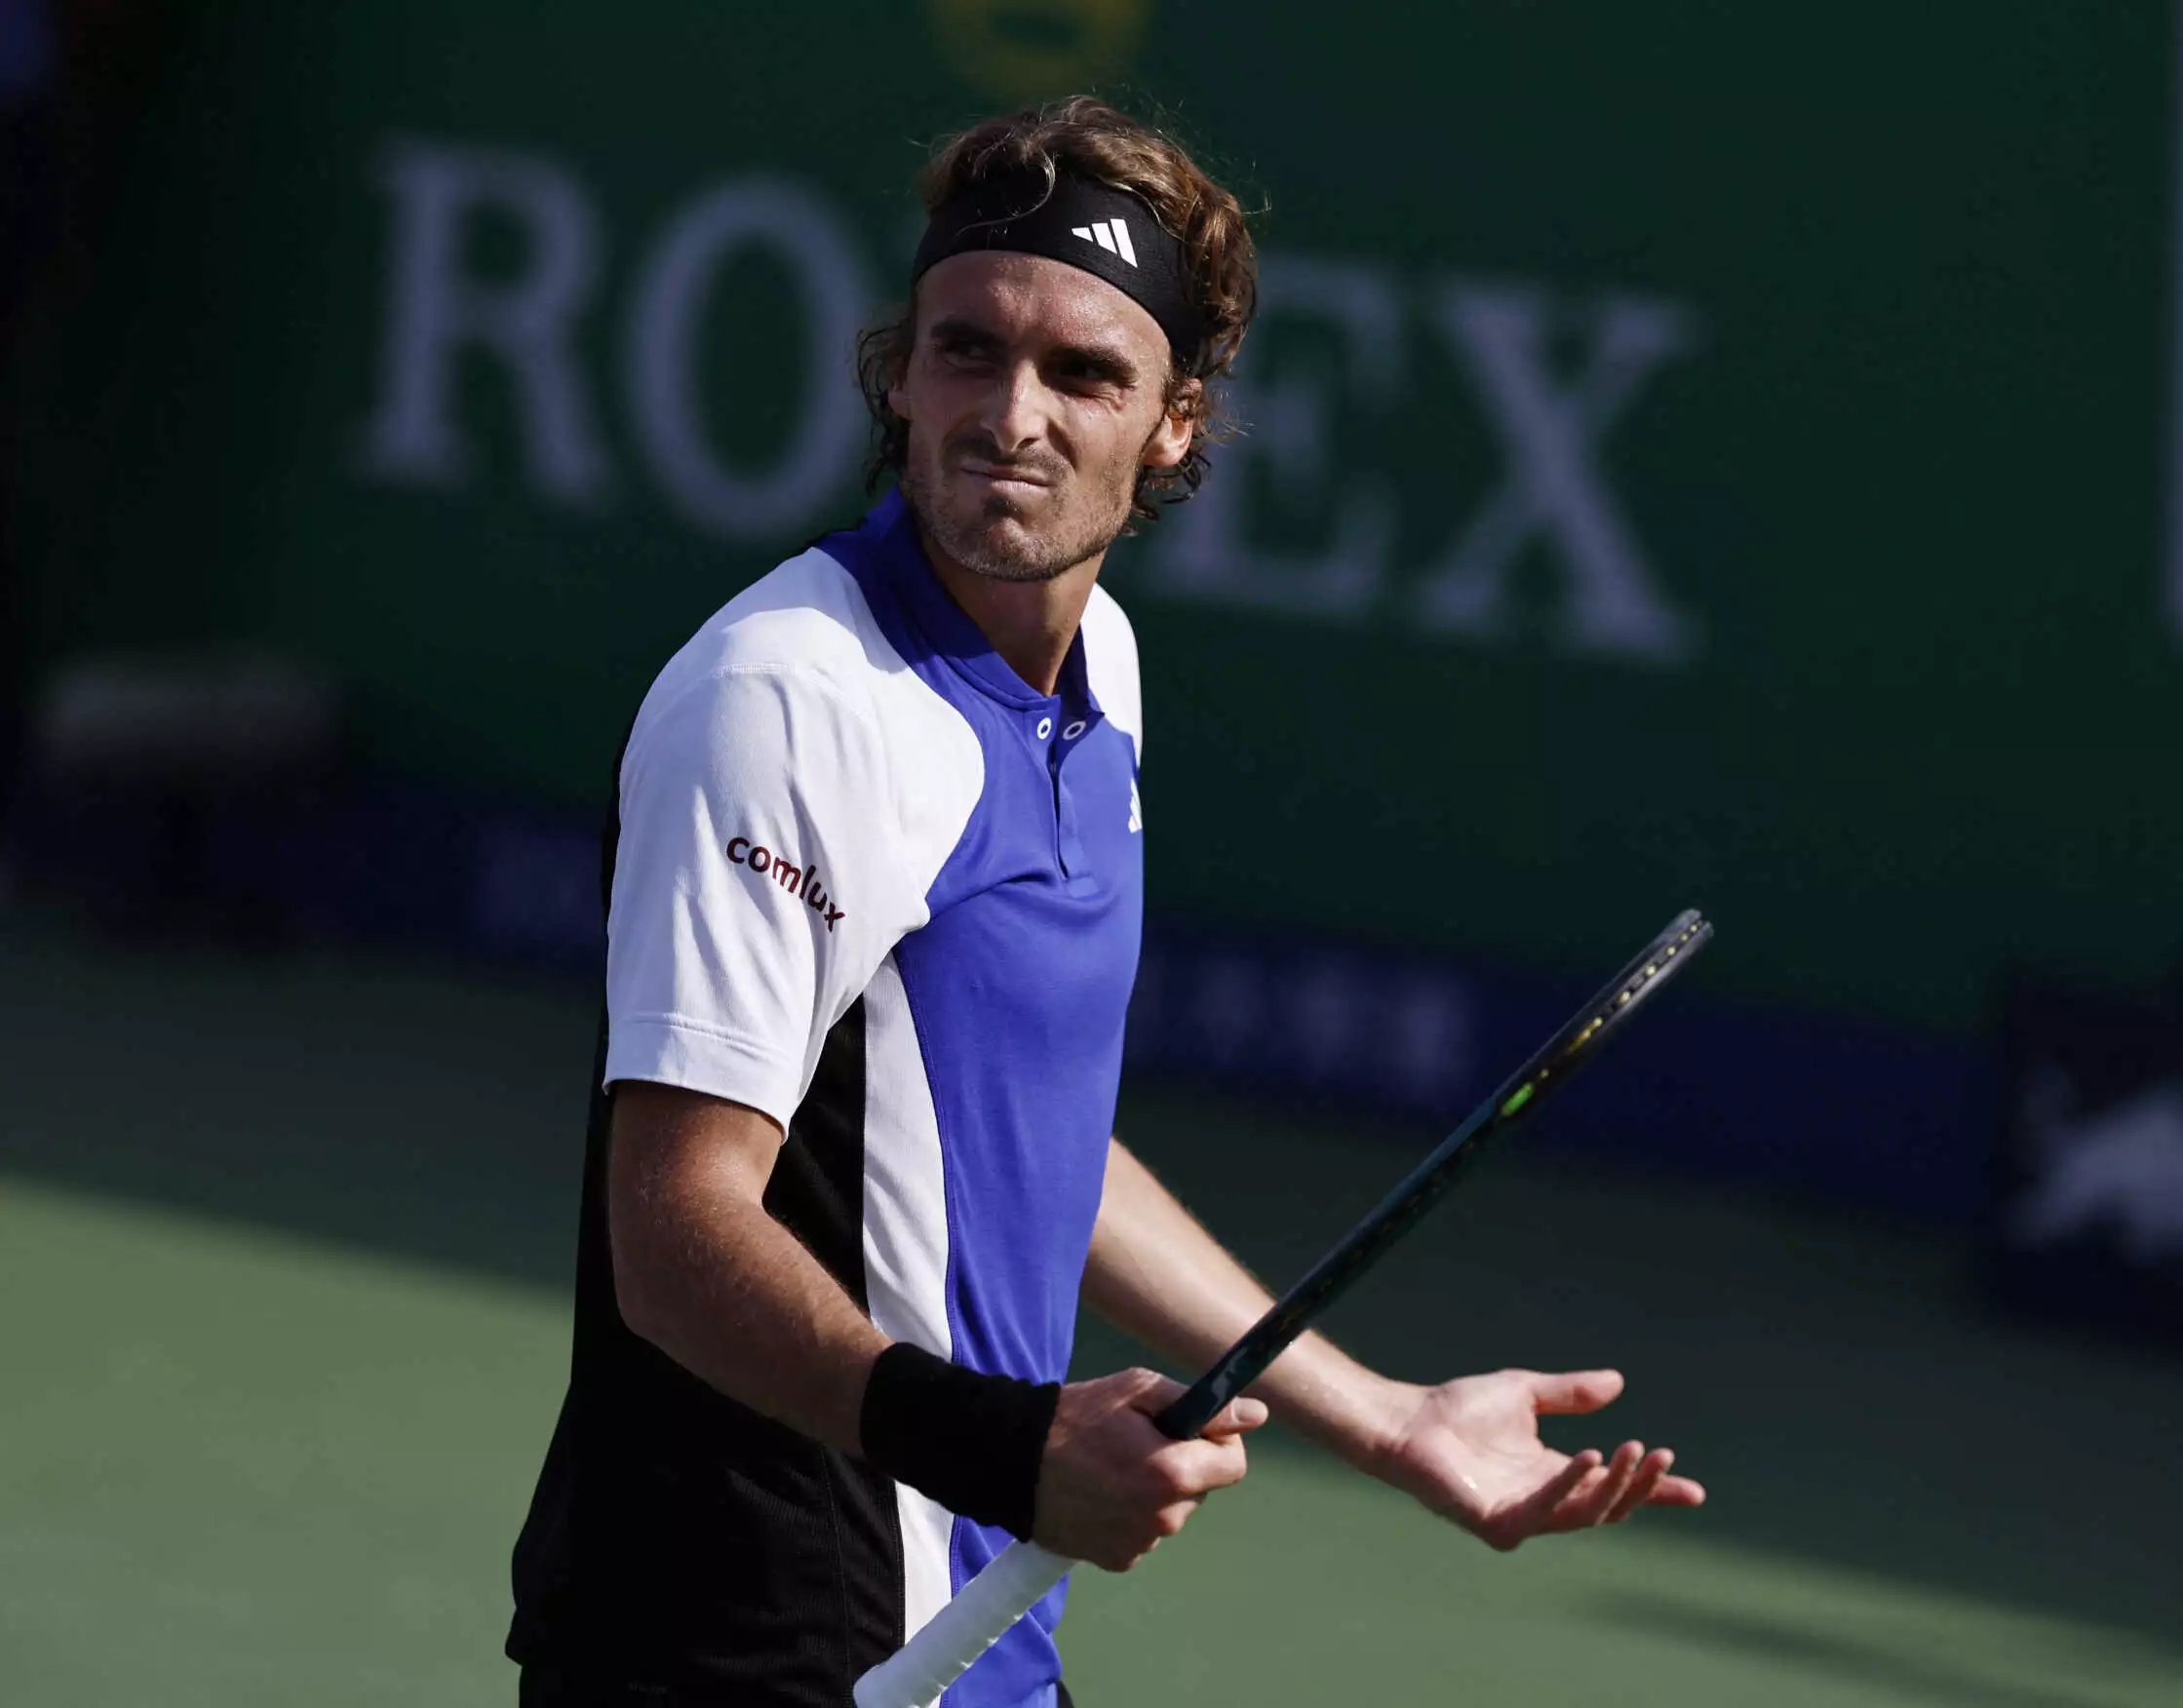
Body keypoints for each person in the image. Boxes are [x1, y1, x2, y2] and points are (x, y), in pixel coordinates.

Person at [506, 97, 1703, 1708]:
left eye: (1082, 373)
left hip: (970, 1635)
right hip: (738, 1641)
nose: (1011, 415)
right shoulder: (786, 700)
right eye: (966, 351)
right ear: (897, 374)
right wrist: (1003, 1445)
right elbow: (673, 1231)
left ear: (1175, 425)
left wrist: (1381, 1416)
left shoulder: (1102, 676)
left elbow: (1020, 1137)